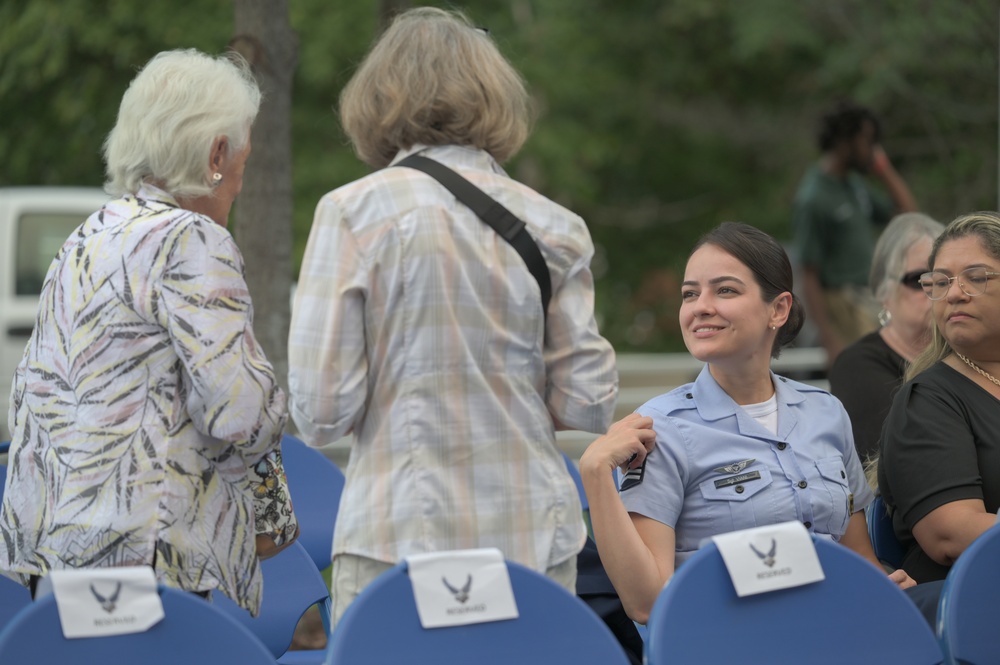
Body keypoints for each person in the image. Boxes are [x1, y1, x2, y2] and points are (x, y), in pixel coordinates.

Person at [288, 7, 618, 627]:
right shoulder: (554, 226)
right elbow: (588, 400)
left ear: (375, 97)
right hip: (533, 539)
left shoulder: (352, 213)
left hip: (399, 539)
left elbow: (321, 411)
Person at [0, 49, 291, 616]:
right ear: (216, 155)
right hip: (150, 556)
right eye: (244, 163)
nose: (240, 183)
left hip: (56, 549)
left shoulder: (89, 234)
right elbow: (240, 412)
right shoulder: (192, 240)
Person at [580, 222, 914, 626]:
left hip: (836, 626)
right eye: (690, 293)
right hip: (731, 638)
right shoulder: (661, 428)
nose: (701, 306)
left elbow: (858, 556)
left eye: (725, 290)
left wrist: (887, 591)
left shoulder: (825, 411)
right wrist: (596, 472)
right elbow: (648, 604)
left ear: (779, 309)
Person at [878, 211, 1000, 584]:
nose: (955, 293)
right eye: (940, 281)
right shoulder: (927, 400)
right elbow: (951, 533)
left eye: (975, 278)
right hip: (971, 607)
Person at [793, 101, 918, 365]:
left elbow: (908, 215)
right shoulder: (813, 198)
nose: (873, 149)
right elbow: (809, 273)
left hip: (869, 296)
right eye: (868, 140)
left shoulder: (853, 184)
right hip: (843, 304)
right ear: (844, 141)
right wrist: (827, 337)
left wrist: (883, 169)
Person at [828, 213, 944, 463]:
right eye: (918, 279)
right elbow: (897, 458)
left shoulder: (970, 353)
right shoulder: (857, 366)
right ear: (883, 291)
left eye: (944, 279)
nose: (935, 290)